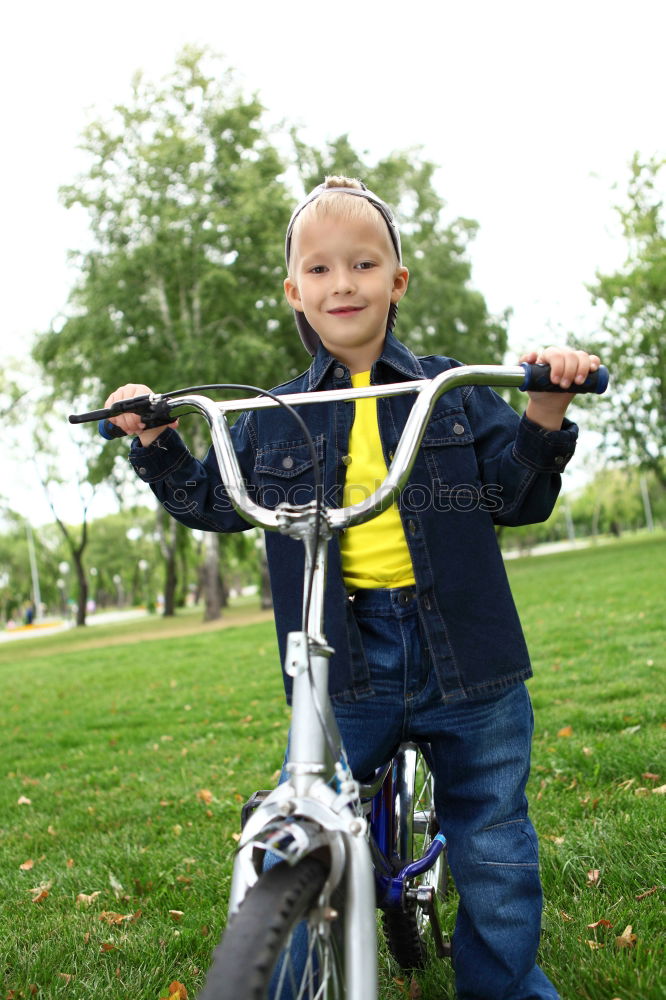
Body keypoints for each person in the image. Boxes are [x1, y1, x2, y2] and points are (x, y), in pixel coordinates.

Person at [105, 176, 601, 1000]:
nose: (344, 283)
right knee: (308, 825)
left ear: (396, 282)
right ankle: (296, 950)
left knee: (494, 846)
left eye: (365, 264)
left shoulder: (452, 392)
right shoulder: (274, 414)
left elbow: (517, 498)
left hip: (465, 656)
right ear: (294, 290)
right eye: (322, 268)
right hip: (343, 658)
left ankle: (505, 987)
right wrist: (155, 436)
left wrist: (543, 411)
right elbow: (210, 499)